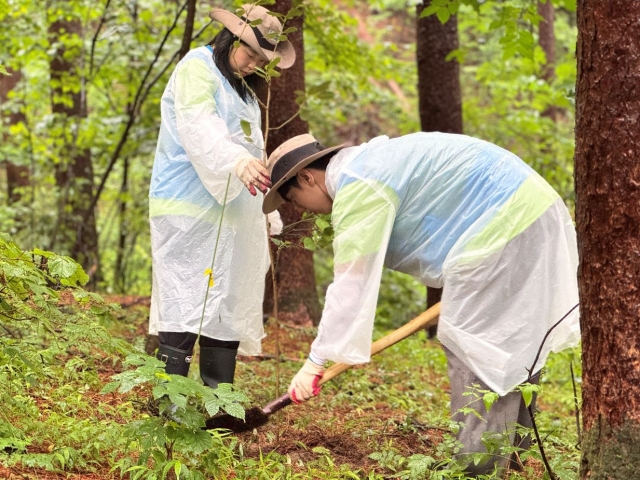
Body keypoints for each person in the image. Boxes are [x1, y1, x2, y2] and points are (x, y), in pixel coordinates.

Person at [262, 132, 580, 476]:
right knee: (512, 339)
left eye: (293, 197)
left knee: (476, 350)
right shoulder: (370, 164)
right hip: (531, 215)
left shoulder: (360, 187)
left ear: (308, 177)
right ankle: (514, 455)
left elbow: (351, 284)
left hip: (505, 227)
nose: (299, 208)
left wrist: (315, 363)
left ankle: (478, 468)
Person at [148, 4, 295, 389]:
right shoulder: (197, 68)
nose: (252, 65)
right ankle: (170, 402)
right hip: (188, 209)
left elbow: (254, 147)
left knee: (230, 300)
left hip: (235, 215)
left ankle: (219, 400)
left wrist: (268, 210)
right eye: (250, 54)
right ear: (231, 38)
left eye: (261, 61)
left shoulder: (244, 91)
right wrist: (235, 159)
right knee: (184, 298)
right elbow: (200, 125)